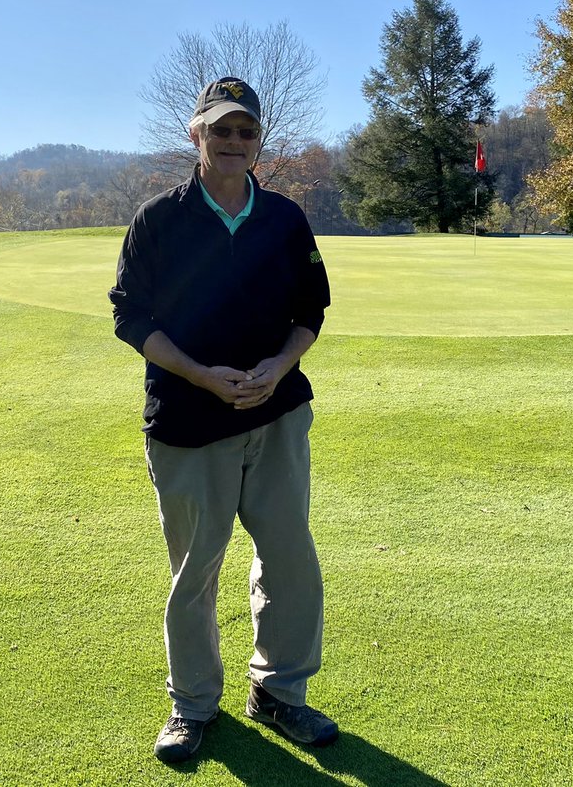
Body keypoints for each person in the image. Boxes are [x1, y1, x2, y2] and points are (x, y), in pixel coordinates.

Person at [109, 76, 336, 764]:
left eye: (246, 131)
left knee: (290, 558)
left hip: (276, 416)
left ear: (258, 141)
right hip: (187, 422)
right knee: (194, 572)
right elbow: (130, 316)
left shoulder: (285, 219)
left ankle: (278, 692)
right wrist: (202, 375)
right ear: (196, 134)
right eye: (221, 129)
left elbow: (310, 312)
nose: (233, 142)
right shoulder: (158, 219)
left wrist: (279, 365)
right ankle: (193, 705)